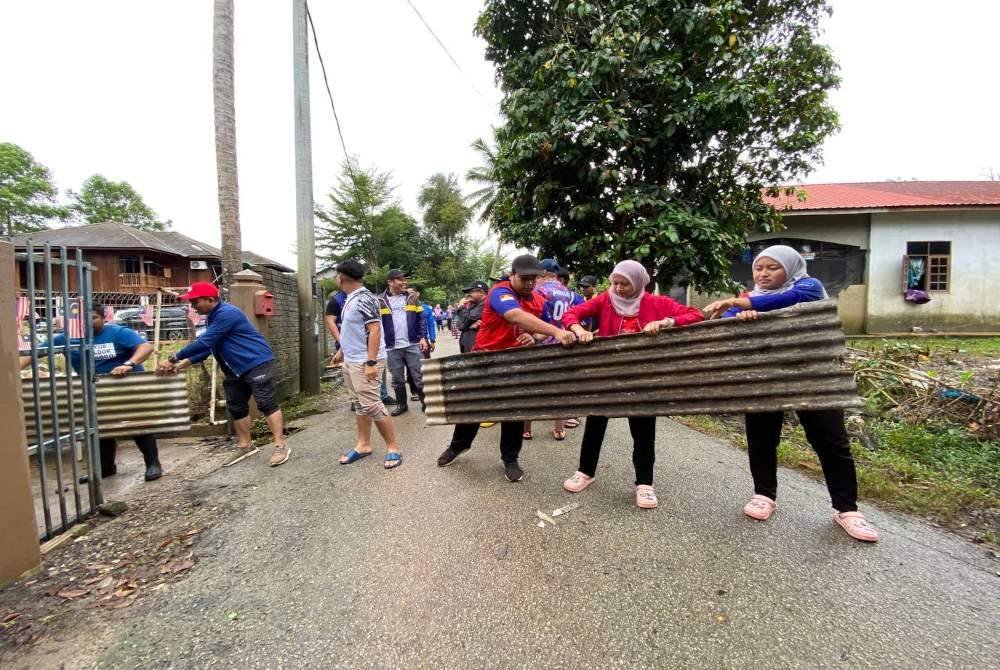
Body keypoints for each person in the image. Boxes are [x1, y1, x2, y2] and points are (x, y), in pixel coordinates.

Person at [703, 245, 879, 542]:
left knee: (831, 441)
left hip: (813, 378)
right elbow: (720, 323)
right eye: (759, 268)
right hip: (766, 379)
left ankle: (847, 509)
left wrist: (746, 304)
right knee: (761, 439)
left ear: (790, 266)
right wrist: (737, 317)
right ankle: (764, 495)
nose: (764, 273)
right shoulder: (753, 298)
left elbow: (792, 299)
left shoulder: (808, 286)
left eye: (772, 267)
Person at [562, 260, 704, 509]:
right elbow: (571, 314)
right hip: (606, 376)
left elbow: (695, 314)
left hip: (642, 378)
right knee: (595, 423)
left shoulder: (657, 303)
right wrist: (577, 329)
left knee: (643, 431)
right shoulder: (605, 300)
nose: (617, 288)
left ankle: (644, 484)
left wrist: (665, 322)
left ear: (639, 282)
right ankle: (585, 472)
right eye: (614, 282)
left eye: (624, 284)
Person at [436, 255, 578, 482]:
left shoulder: (539, 301)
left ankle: (510, 459)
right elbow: (514, 315)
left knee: (514, 413)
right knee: (472, 408)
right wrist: (556, 333)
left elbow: (546, 327)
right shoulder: (499, 292)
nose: (530, 283)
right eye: (524, 278)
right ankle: (457, 447)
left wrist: (535, 336)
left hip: (516, 363)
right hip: (485, 359)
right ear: (512, 275)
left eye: (534, 279)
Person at [21, 304, 163, 481]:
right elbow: (33, 353)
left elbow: (145, 348)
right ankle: (105, 468)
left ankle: (153, 464)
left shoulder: (118, 333)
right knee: (100, 429)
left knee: (137, 425)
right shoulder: (66, 338)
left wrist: (129, 364)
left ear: (104, 318)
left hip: (125, 387)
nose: (87, 322)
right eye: (82, 319)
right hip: (93, 389)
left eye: (93, 318)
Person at [157, 282, 290, 467]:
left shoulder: (227, 313)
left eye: (195, 301)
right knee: (236, 407)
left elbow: (206, 341)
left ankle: (280, 445)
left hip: (256, 362)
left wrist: (173, 358)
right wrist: (185, 363)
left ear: (210, 299)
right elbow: (211, 345)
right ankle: (246, 446)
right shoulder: (213, 316)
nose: (193, 306)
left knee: (266, 403)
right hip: (235, 368)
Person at [331, 261, 402, 469]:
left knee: (372, 404)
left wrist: (371, 362)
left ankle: (393, 448)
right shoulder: (351, 299)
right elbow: (353, 331)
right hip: (351, 360)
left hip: (365, 360)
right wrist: (341, 351)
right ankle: (363, 445)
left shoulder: (364, 298)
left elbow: (375, 330)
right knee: (360, 404)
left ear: (342, 277)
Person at [523, 259, 575, 441]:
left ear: (543, 273)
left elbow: (532, 317)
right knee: (558, 388)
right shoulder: (567, 292)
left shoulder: (539, 290)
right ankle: (559, 429)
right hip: (561, 343)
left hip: (540, 341)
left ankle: (526, 429)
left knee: (531, 387)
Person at [326, 286, 395, 406]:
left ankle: (379, 396)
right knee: (355, 379)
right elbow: (330, 322)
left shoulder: (364, 298)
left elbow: (376, 327)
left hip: (370, 345)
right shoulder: (337, 300)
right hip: (350, 347)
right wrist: (342, 345)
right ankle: (358, 401)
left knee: (374, 378)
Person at [379, 269, 428, 416]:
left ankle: (426, 403)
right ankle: (402, 405)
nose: (404, 282)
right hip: (392, 346)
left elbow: (421, 318)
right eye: (400, 279)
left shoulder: (412, 297)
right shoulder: (380, 301)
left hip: (412, 343)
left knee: (419, 375)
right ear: (390, 282)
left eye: (405, 280)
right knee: (397, 378)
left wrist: (423, 337)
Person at [454, 281, 487, 354]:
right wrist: (468, 326)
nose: (468, 295)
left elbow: (468, 320)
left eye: (471, 292)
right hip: (468, 345)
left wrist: (462, 307)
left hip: (478, 347)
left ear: (481, 292)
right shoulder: (472, 305)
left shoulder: (486, 303)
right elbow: (459, 324)